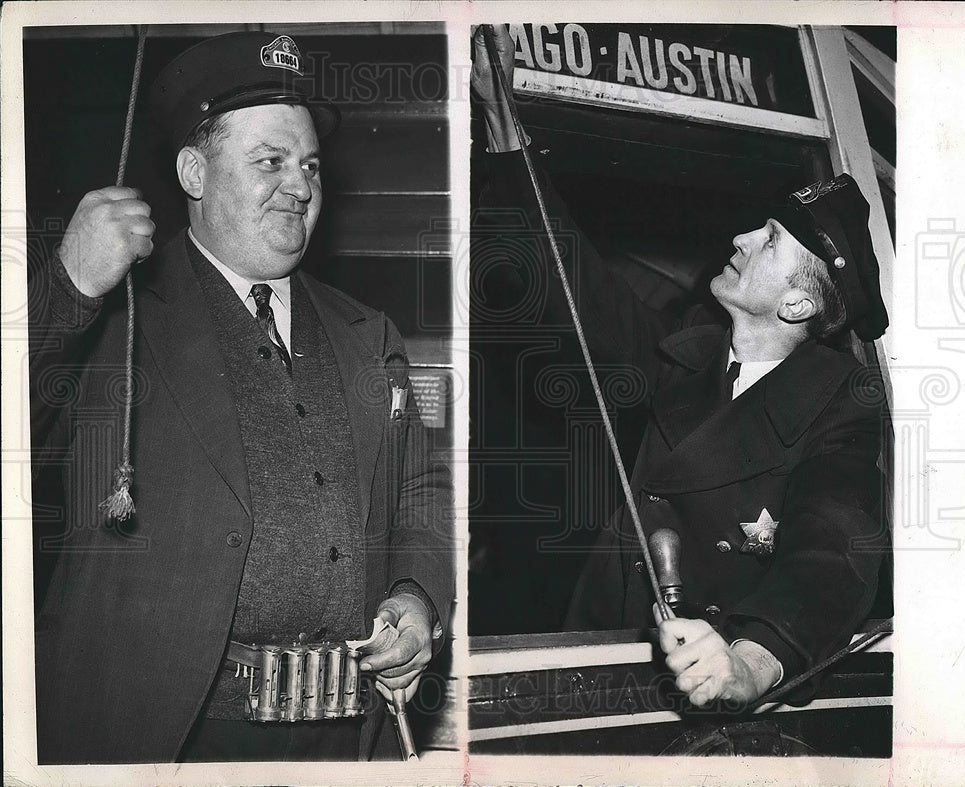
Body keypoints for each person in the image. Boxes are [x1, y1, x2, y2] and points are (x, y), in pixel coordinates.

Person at [30, 31, 453, 763]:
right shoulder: (112, 314)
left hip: (348, 733)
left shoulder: (366, 332)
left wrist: (417, 595)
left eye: (310, 165)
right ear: (195, 171)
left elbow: (420, 487)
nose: (300, 186)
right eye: (270, 162)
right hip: (165, 737)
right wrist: (65, 291)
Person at [472, 25, 889, 708]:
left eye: (771, 240)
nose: (741, 238)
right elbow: (573, 283)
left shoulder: (841, 403)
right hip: (602, 652)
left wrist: (752, 663)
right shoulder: (685, 354)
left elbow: (834, 551)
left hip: (704, 680)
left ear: (795, 301)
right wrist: (501, 120)